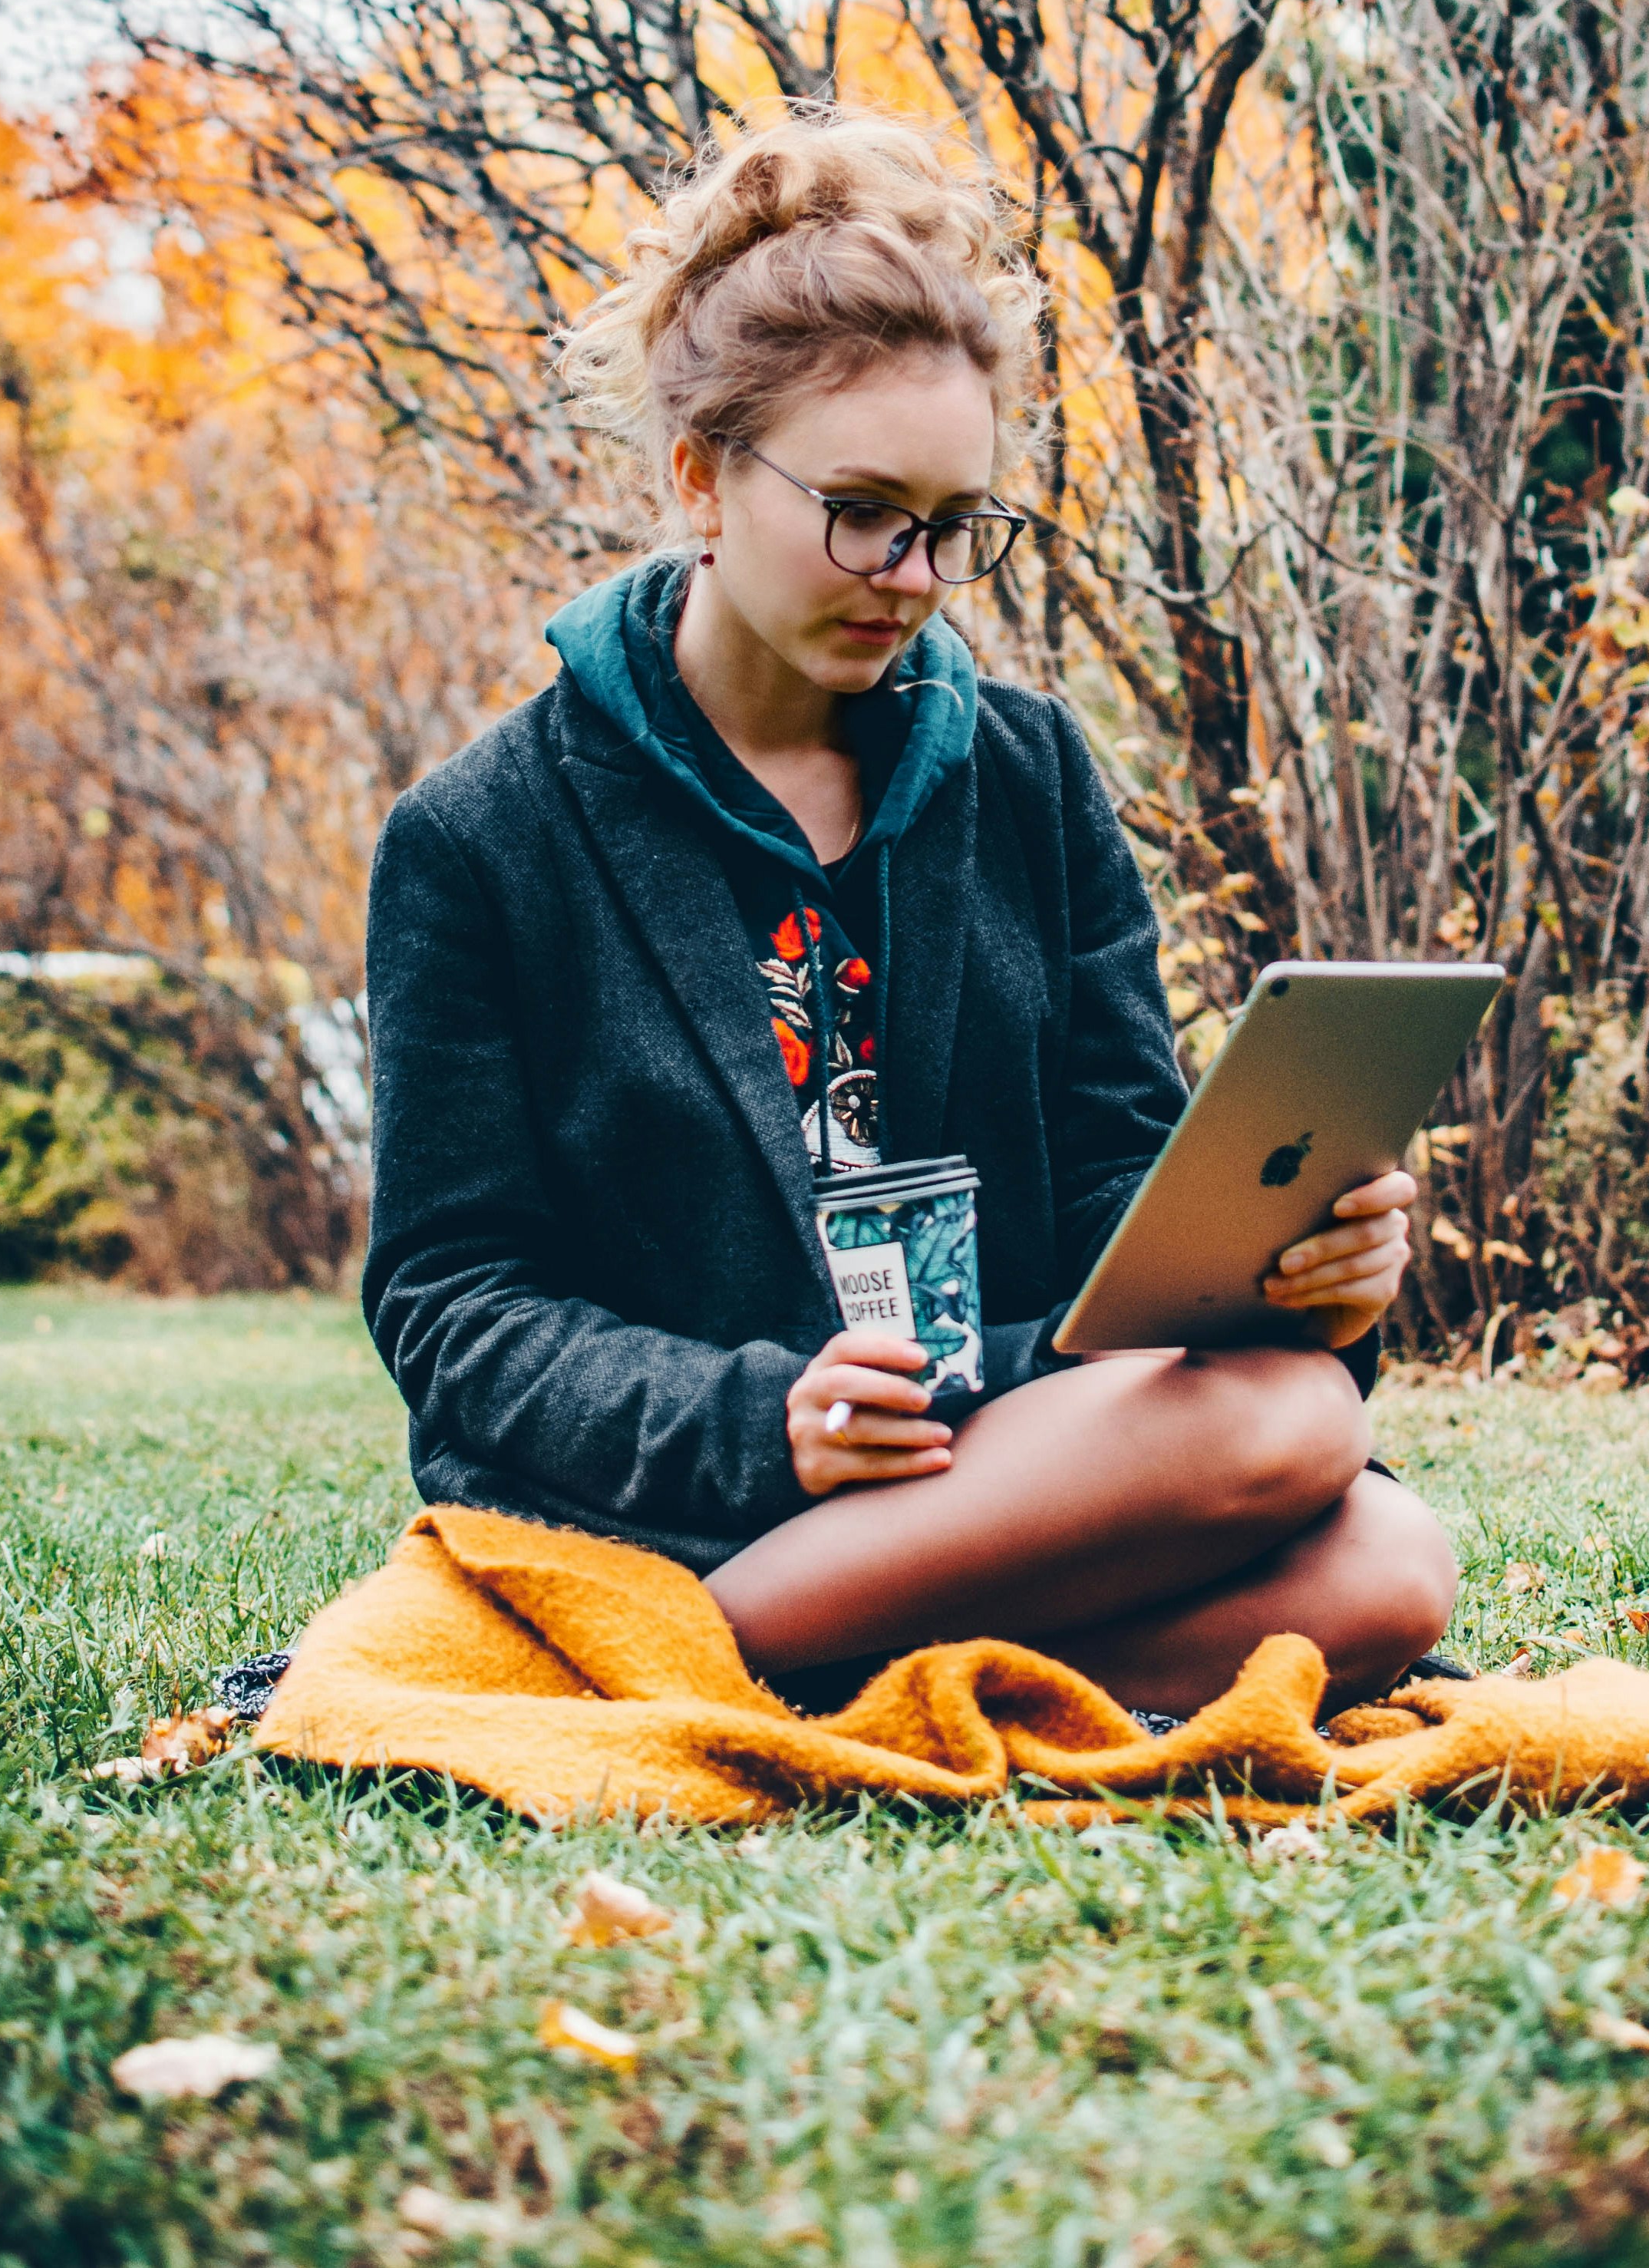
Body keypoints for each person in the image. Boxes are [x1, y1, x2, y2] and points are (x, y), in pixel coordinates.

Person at [361, 106, 1456, 1722]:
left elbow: (1112, 1180)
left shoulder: (1028, 773)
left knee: (1390, 1561)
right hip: (696, 1491)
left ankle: (788, 1675)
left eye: (955, 525)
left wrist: (1294, 1274)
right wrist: (765, 1418)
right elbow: (458, 1307)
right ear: (701, 480)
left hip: (1004, 1447)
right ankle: (691, 1646)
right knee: (1289, 1435)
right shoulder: (480, 835)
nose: (917, 573)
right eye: (867, 510)